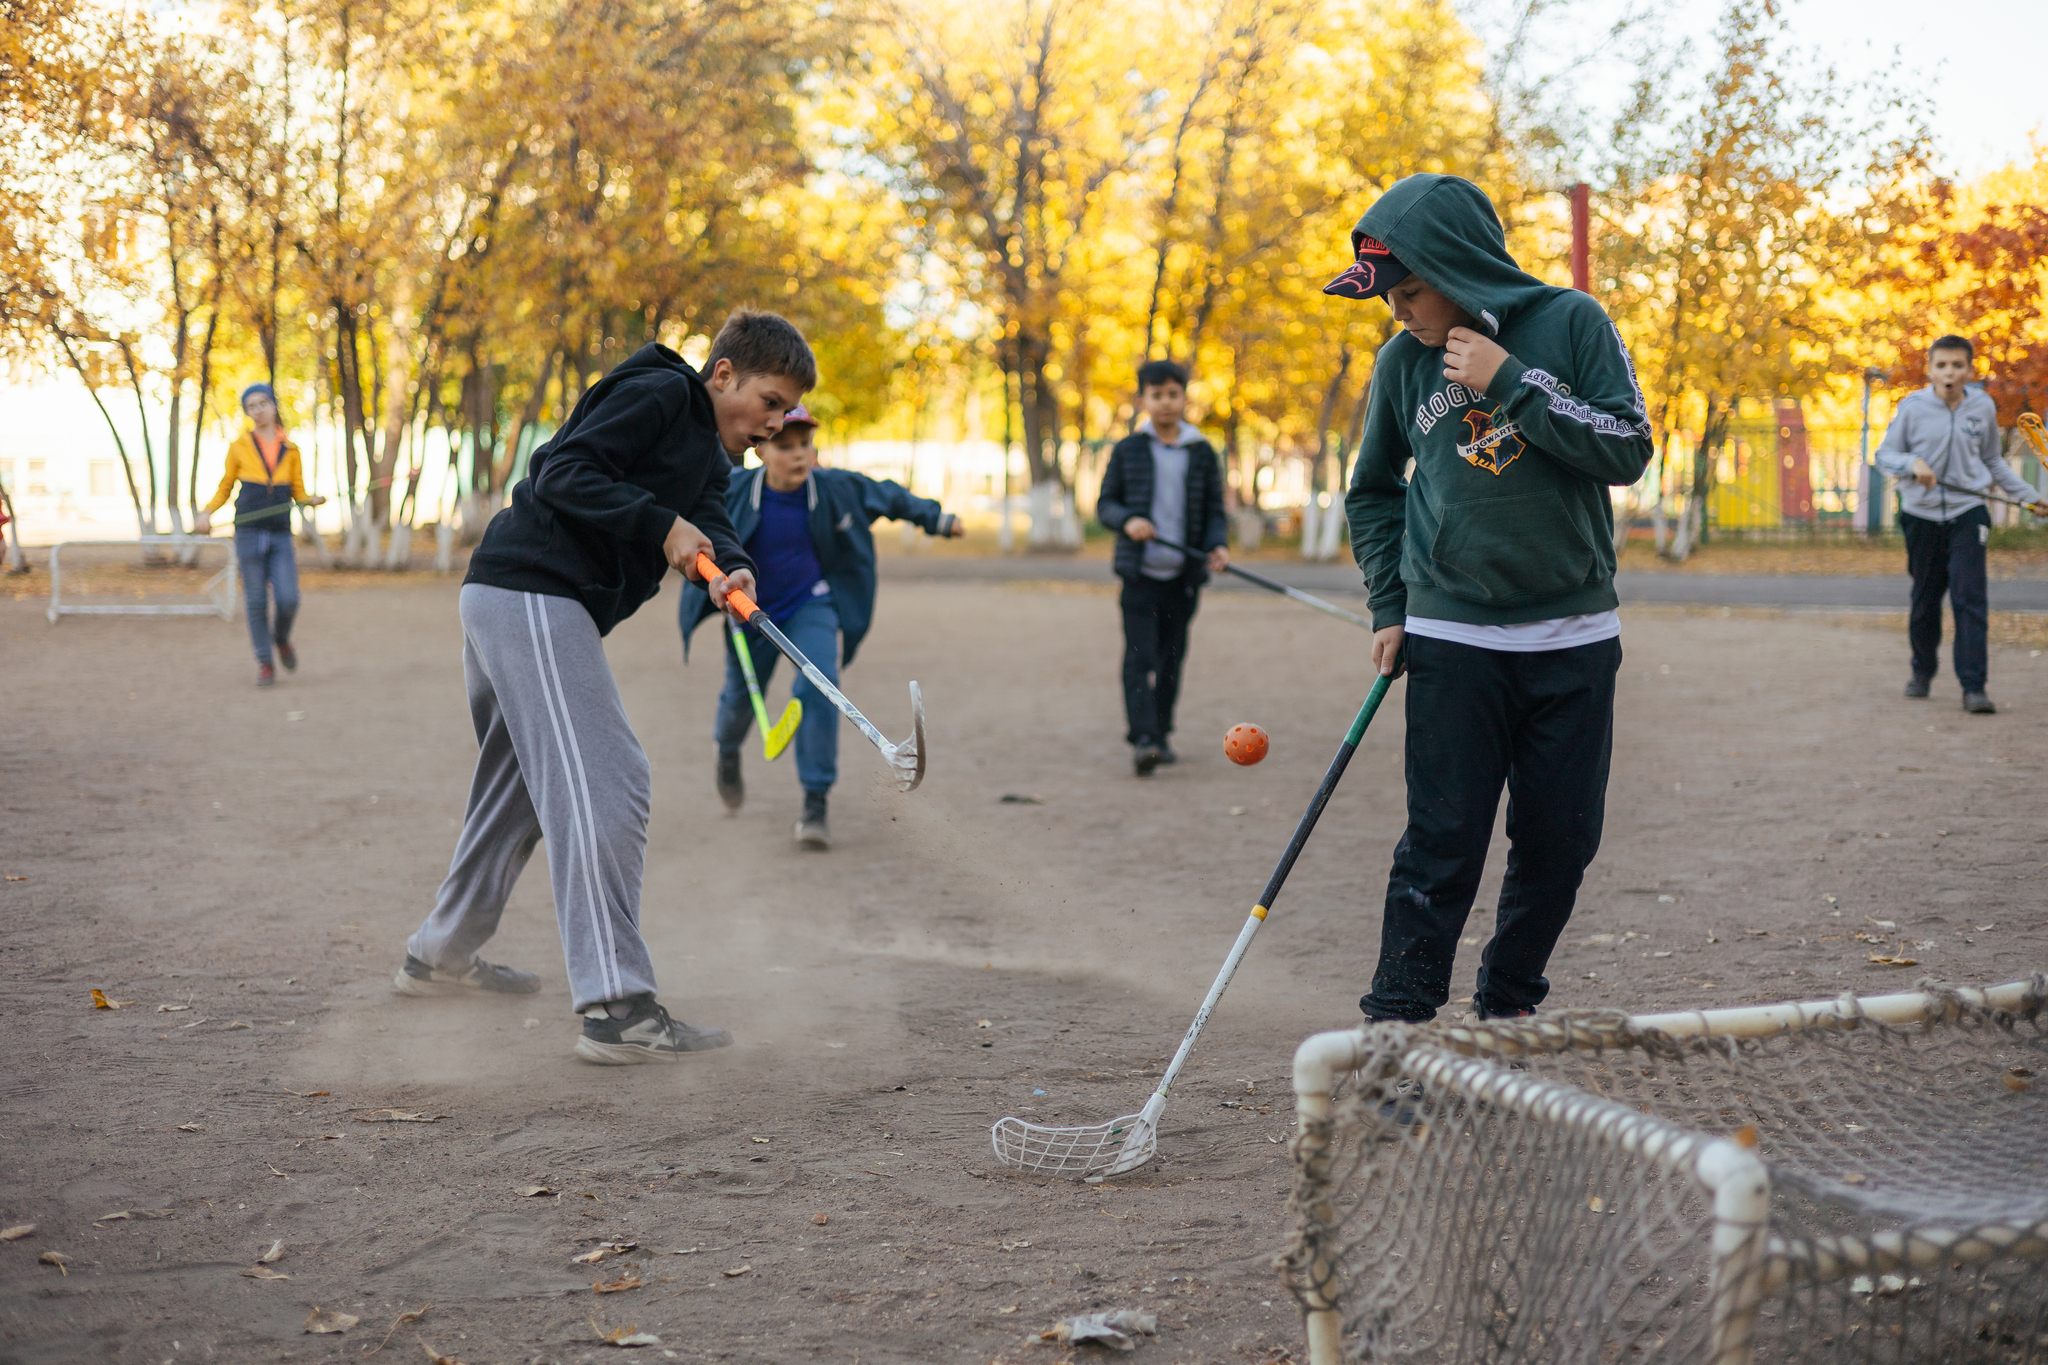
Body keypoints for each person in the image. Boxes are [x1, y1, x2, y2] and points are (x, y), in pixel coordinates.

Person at [392, 309, 811, 1064]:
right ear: (722, 374)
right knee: (609, 778)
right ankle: (616, 1005)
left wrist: (731, 564)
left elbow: (707, 513)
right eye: (770, 401)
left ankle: (439, 955)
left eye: (786, 412)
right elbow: (565, 472)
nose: (776, 423)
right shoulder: (658, 392)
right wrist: (660, 526)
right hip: (533, 594)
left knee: (518, 790)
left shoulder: (709, 452)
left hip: (517, 601)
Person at [1332, 173, 1653, 1024]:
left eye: (1407, 291)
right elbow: (1371, 491)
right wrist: (1389, 604)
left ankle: (1507, 1012)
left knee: (1559, 847)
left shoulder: (1573, 321)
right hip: (1451, 639)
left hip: (1574, 635)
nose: (1396, 311)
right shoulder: (1401, 363)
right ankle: (1395, 1029)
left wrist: (1509, 378)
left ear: (1457, 266)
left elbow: (1628, 447)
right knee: (1441, 847)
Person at [678, 404, 964, 848]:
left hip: (811, 606)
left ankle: (815, 802)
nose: (798, 456)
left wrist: (936, 518)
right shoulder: (734, 490)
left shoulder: (833, 488)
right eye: (785, 446)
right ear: (760, 451)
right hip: (748, 611)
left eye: (805, 445)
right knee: (737, 699)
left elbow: (886, 495)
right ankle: (727, 750)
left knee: (820, 684)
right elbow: (688, 515)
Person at [1872, 335, 2048, 714]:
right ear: (1930, 370)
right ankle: (1922, 671)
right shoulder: (1912, 407)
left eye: (1957, 365)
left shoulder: (1982, 407)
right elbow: (1884, 454)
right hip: (1921, 515)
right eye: (1941, 365)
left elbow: (1993, 462)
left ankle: (1974, 686)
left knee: (1970, 599)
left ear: (1969, 370)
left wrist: (2032, 497)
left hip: (1969, 512)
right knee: (1925, 600)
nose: (1949, 372)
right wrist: (1911, 464)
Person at [1096, 359, 1229, 776]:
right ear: (1142, 400)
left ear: (1183, 398)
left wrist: (1217, 546)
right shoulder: (1128, 449)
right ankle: (1144, 739)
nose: (1166, 402)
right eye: (1157, 395)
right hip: (1139, 575)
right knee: (1140, 658)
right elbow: (1105, 504)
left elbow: (1213, 510)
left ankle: (1162, 733)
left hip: (1183, 577)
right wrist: (1127, 521)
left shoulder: (1201, 450)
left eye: (1173, 394)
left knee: (1172, 658)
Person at [196, 383, 327, 687]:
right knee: (256, 601)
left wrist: (310, 500)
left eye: (263, 403)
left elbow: (298, 491)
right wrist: (207, 513)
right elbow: (226, 486)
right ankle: (265, 662)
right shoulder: (239, 446)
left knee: (289, 598)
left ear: (273, 405)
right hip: (248, 531)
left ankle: (281, 639)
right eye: (251, 405)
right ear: (247, 412)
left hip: (280, 532)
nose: (258, 409)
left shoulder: (292, 450)